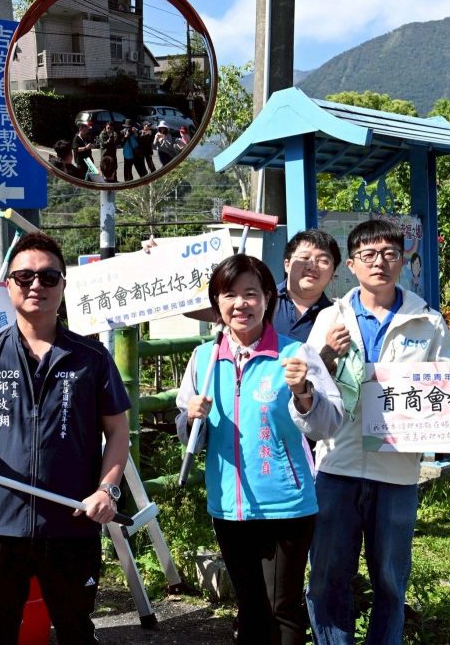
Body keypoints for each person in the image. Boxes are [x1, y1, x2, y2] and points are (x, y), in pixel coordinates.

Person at [304, 218, 450, 644]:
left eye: (390, 254)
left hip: (398, 473)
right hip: (337, 467)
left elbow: (446, 393)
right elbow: (308, 389)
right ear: (351, 264)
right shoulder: (330, 319)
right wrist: (327, 354)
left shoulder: (427, 322)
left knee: (390, 582)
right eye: (369, 255)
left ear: (404, 261)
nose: (380, 262)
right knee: (327, 579)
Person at [0, 232, 131, 645]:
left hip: (71, 524)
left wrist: (107, 489)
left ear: (63, 285)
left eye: (48, 277)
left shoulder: (92, 357)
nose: (36, 285)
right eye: (24, 277)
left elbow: (117, 431)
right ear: (8, 285)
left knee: (77, 633)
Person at [176, 253, 343, 645]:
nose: (241, 304)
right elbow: (192, 437)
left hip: (286, 504)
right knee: (250, 606)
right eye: (229, 294)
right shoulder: (203, 359)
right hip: (228, 506)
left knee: (282, 608)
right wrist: (190, 418)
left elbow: (329, 423)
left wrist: (304, 392)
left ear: (268, 298)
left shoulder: (296, 354)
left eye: (251, 293)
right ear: (217, 303)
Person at [273, 229, 341, 344]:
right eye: (304, 257)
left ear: (333, 274)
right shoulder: (263, 300)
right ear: (287, 265)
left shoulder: (336, 316)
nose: (312, 266)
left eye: (323, 261)